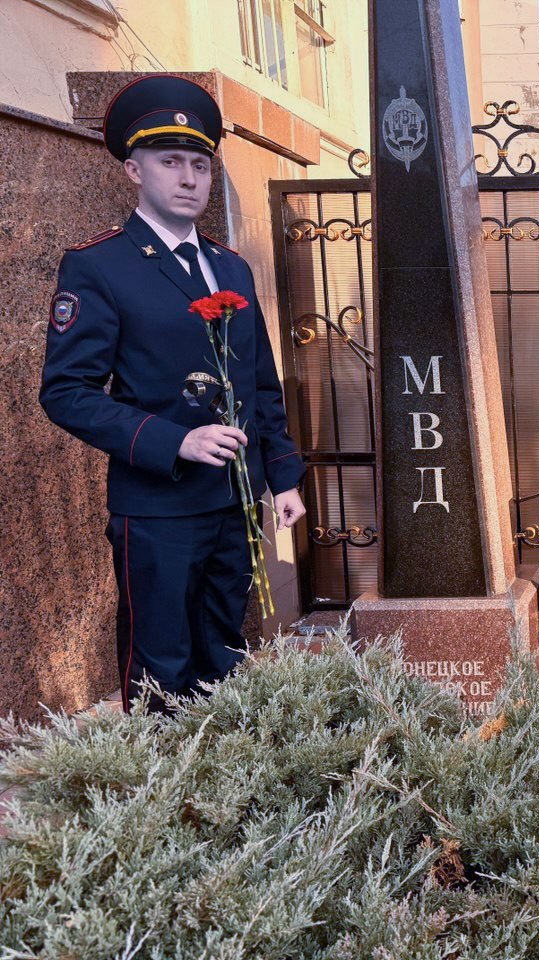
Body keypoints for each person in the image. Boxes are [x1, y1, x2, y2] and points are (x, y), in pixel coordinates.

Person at [39, 75, 307, 714]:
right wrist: (175, 439)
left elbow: (259, 383)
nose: (189, 178)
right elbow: (67, 392)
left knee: (224, 653)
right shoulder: (100, 266)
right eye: (169, 162)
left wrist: (283, 476)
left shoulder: (230, 267)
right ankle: (159, 796)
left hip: (232, 502)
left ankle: (221, 788)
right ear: (134, 170)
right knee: (160, 663)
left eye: (199, 164)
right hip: (156, 507)